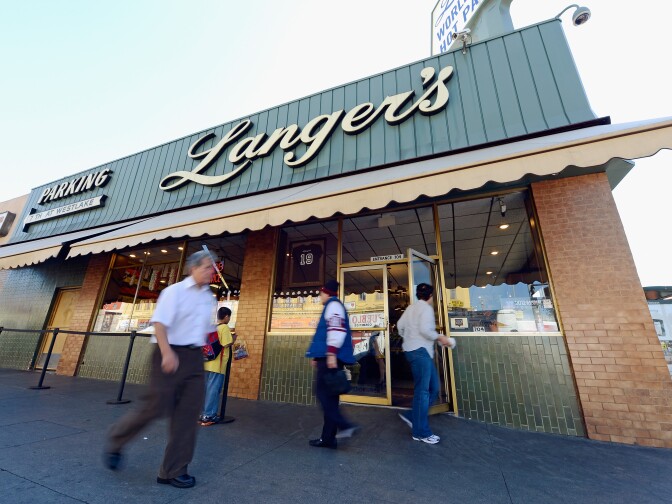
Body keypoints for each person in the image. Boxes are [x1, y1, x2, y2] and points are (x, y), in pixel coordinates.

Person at [103, 250, 216, 489]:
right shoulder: (173, 292)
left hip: (194, 359)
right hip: (168, 353)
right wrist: (167, 353)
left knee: (187, 416)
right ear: (193, 269)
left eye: (212, 267)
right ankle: (116, 439)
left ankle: (173, 471)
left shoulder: (209, 298)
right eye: (206, 266)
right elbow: (160, 324)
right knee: (154, 408)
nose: (211, 270)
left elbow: (203, 330)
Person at [396, 283, 456, 445]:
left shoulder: (410, 308)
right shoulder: (426, 309)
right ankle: (421, 432)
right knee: (423, 391)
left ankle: (412, 416)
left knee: (433, 388)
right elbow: (425, 330)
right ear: (430, 296)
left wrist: (408, 338)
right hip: (420, 352)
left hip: (414, 351)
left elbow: (399, 327)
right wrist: (440, 338)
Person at [305, 279, 358, 448]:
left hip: (330, 357)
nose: (319, 296)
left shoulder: (333, 305)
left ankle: (346, 425)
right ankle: (328, 438)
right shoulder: (333, 306)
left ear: (326, 292)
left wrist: (331, 354)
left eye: (320, 293)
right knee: (331, 399)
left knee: (322, 394)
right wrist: (317, 356)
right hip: (327, 356)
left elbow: (337, 329)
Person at [199, 306, 236, 426]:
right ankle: (209, 416)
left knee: (206, 390)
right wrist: (234, 338)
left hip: (207, 363)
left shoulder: (213, 327)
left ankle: (202, 414)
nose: (229, 319)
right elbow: (226, 343)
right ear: (226, 317)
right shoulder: (224, 327)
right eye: (229, 317)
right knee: (213, 391)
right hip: (217, 365)